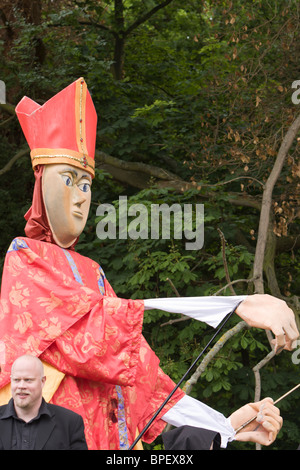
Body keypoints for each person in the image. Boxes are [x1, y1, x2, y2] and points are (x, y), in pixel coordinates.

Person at [0, 77, 297, 450]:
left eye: (88, 185)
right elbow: (94, 337)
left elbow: (140, 376)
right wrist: (235, 304)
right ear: (41, 182)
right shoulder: (24, 257)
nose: (80, 198)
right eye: (69, 179)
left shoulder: (94, 272)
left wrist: (224, 427)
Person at [0, 355, 88, 450]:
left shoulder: (70, 422)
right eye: (16, 380)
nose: (21, 386)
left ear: (42, 381)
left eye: (28, 380)